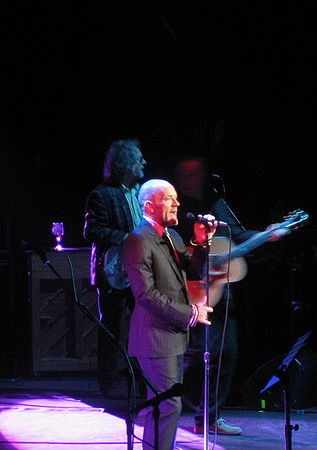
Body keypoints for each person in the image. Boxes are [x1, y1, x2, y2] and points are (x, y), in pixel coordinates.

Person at [172, 155, 288, 436]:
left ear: (204, 176)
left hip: (219, 290)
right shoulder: (176, 207)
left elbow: (236, 235)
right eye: (183, 175)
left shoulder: (215, 202)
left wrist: (266, 234)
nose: (187, 181)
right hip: (188, 290)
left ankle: (209, 418)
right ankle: (179, 409)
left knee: (227, 354)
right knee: (193, 357)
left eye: (193, 175)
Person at [122, 178, 215, 450]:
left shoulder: (171, 237)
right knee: (168, 406)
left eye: (176, 197)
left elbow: (193, 270)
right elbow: (146, 295)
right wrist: (191, 313)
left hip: (171, 338)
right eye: (168, 199)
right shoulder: (138, 240)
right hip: (154, 338)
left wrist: (201, 242)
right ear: (149, 206)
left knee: (164, 407)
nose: (177, 204)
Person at [83, 138, 147, 399]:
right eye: (139, 158)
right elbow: (91, 230)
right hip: (112, 272)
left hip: (138, 271)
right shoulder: (101, 194)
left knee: (143, 327)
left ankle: (142, 382)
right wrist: (125, 238)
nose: (144, 162)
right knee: (110, 328)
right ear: (126, 163)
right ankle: (108, 384)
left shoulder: (141, 193)